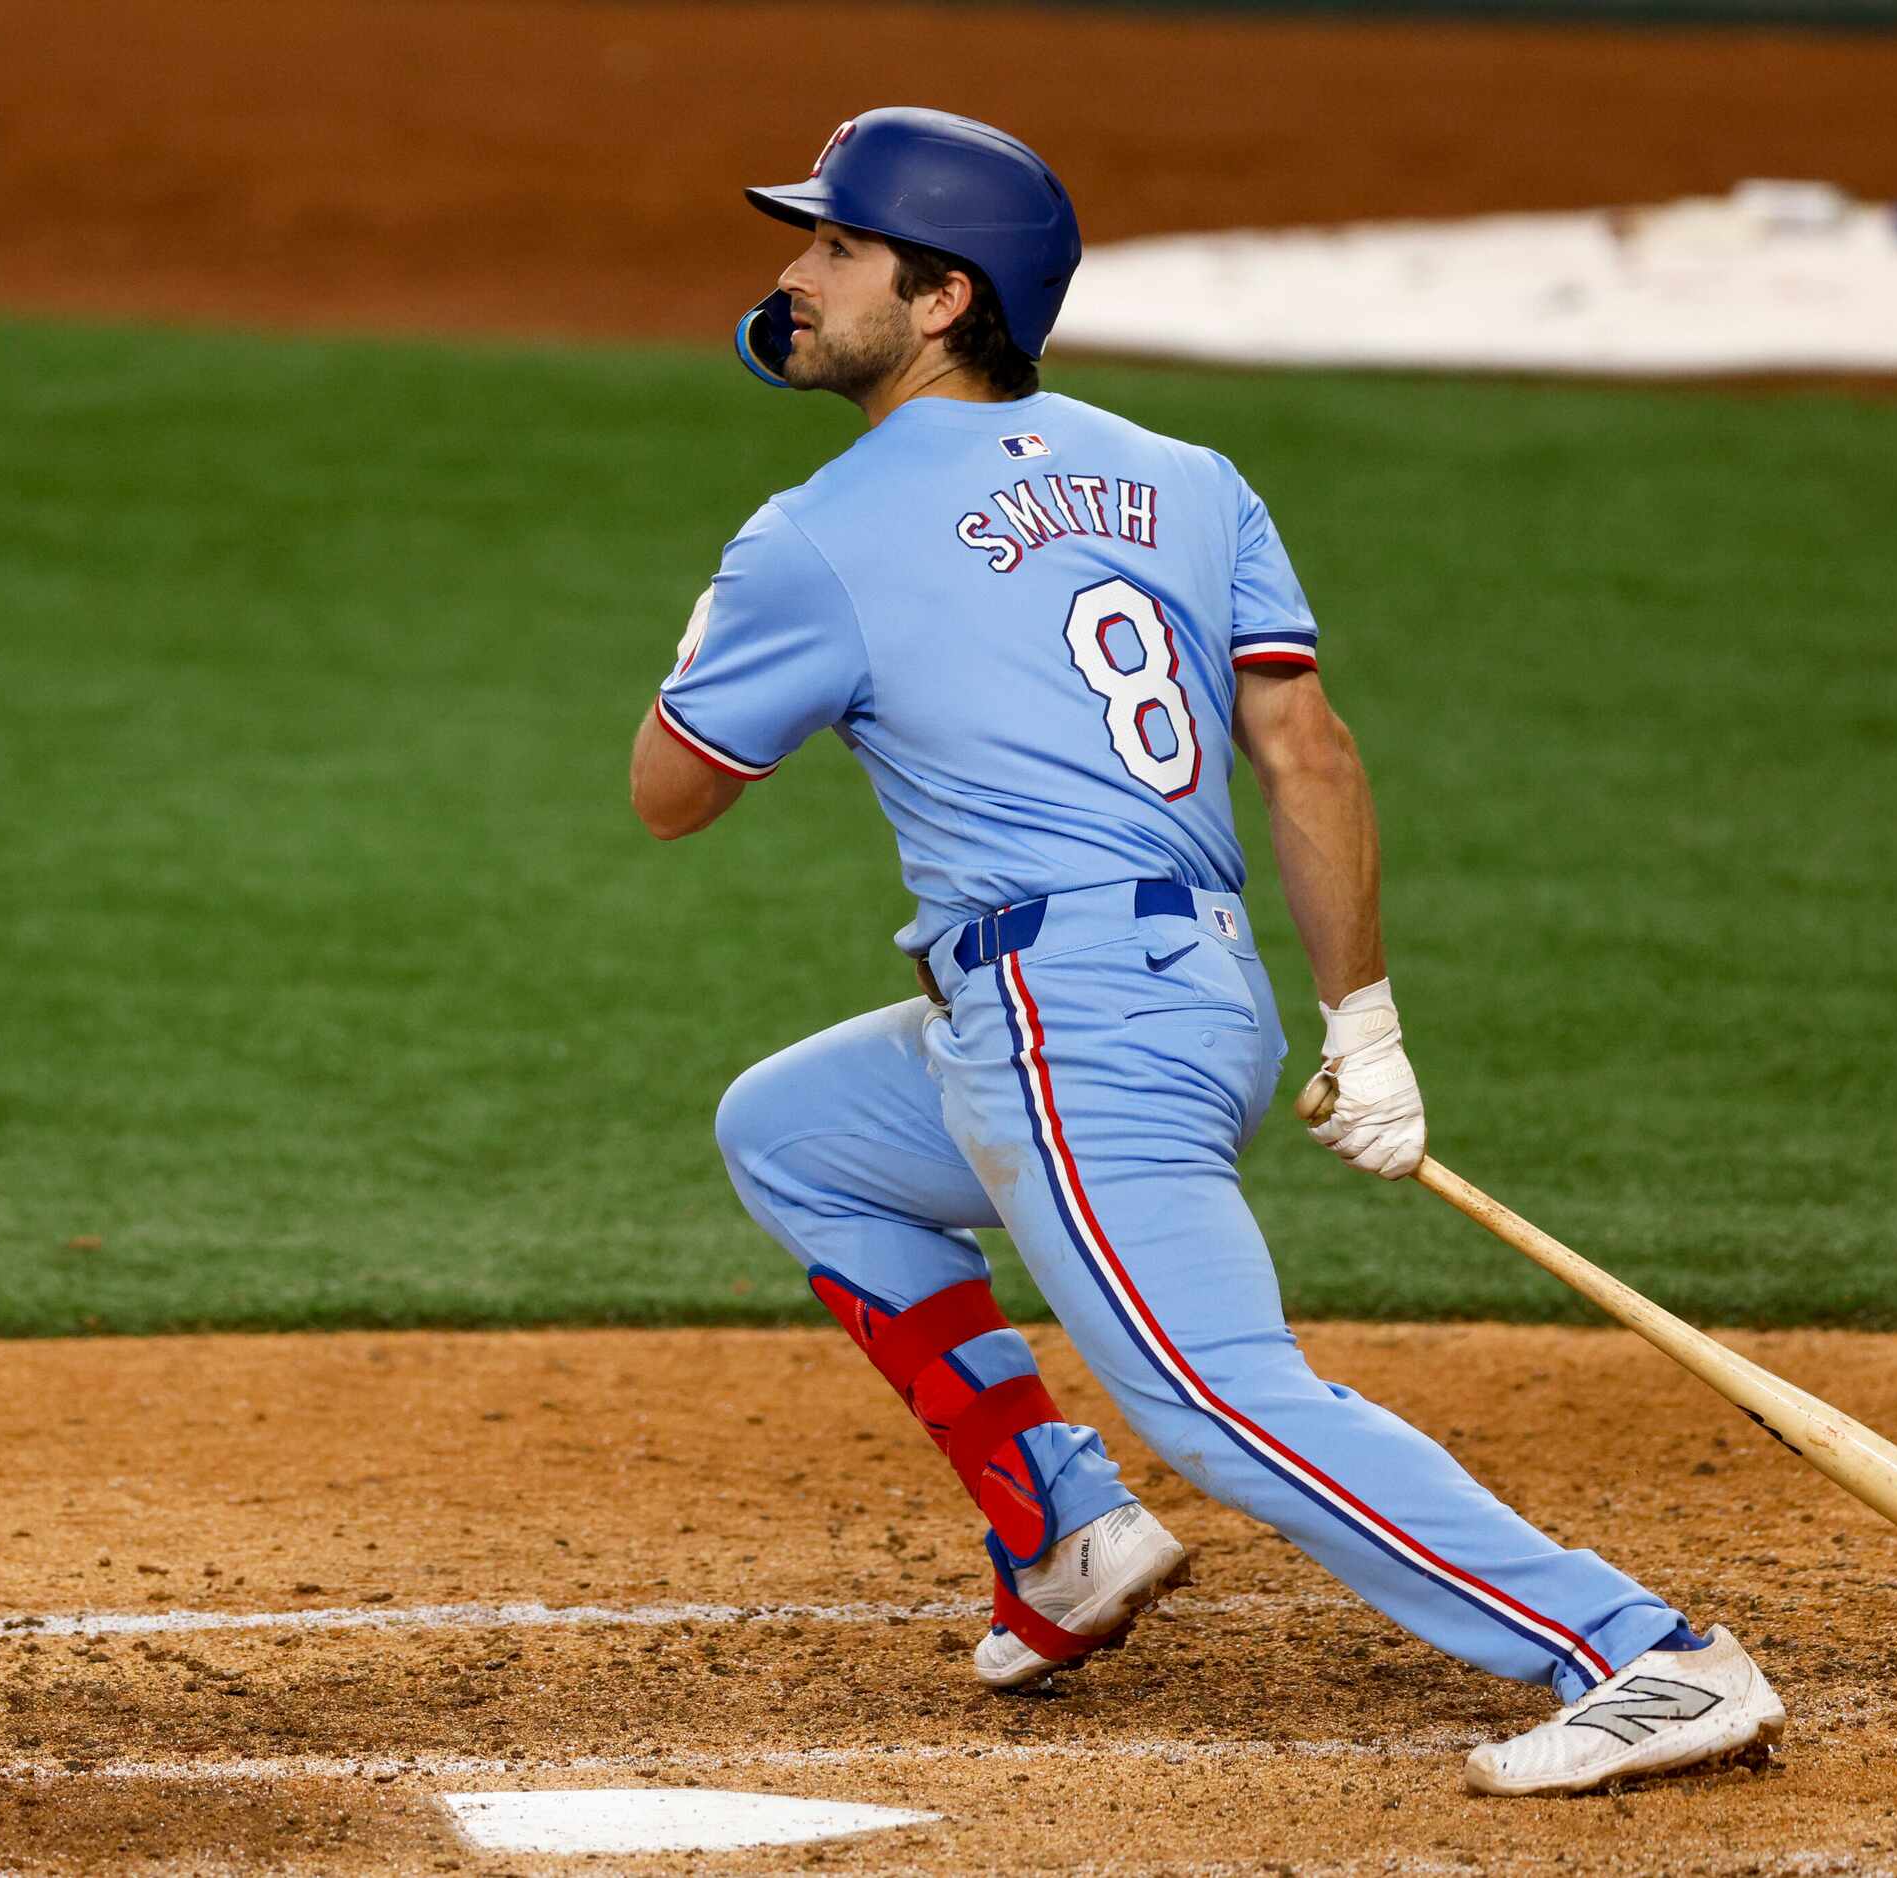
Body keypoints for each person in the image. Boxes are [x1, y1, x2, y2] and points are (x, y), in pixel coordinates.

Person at [628, 106, 1784, 1797]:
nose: (790, 278)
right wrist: (1363, 1022)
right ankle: (1066, 1529)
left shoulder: (817, 531)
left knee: (1212, 1394)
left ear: (941, 297)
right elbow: (1301, 748)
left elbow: (671, 795)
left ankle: (1638, 1649)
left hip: (1062, 1024)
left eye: (830, 250)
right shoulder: (1187, 477)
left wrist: (709, 629)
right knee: (794, 1137)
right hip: (1203, 996)